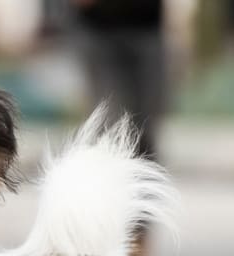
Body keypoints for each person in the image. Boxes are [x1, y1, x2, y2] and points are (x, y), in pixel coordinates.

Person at [70, 0, 165, 160]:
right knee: (111, 119)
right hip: (98, 30)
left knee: (146, 119)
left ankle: (146, 174)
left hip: (148, 25)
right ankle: (109, 171)